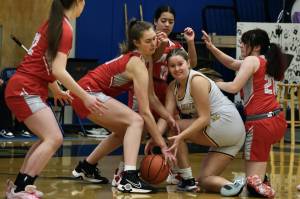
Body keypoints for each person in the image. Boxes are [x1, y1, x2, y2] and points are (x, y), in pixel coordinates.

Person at [4, 0, 107, 198]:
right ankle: (20, 189)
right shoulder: (65, 29)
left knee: (47, 138)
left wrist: (56, 89)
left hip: (23, 87)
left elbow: (46, 63)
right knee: (54, 138)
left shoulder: (53, 22)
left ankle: (19, 186)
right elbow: (58, 70)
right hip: (25, 89)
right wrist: (84, 96)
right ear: (78, 2)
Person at [71, 19, 176, 194]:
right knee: (136, 121)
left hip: (86, 93)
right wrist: (162, 145)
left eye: (154, 39)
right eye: (148, 41)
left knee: (123, 132)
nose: (154, 44)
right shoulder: (137, 64)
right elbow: (145, 111)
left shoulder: (145, 60)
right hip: (87, 94)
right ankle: (128, 178)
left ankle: (86, 167)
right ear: (136, 43)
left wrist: (168, 117)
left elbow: (151, 96)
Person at [202, 29, 287, 198]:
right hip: (276, 119)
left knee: (252, 184)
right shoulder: (265, 60)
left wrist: (212, 83)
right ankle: (262, 181)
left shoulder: (251, 60)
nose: (241, 45)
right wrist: (211, 47)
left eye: (244, 42)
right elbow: (233, 63)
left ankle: (261, 184)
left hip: (261, 123)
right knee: (254, 178)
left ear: (255, 47)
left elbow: (234, 87)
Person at [156, 48, 246, 195]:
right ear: (168, 68)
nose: (177, 68)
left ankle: (187, 180)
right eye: (172, 66)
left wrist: (181, 136)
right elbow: (167, 116)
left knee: (175, 128)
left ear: (188, 63)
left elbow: (204, 118)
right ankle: (232, 185)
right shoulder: (172, 87)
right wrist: (156, 137)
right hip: (233, 135)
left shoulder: (196, 80)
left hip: (226, 122)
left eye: (180, 64)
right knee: (205, 179)